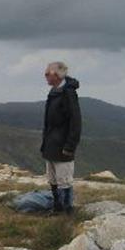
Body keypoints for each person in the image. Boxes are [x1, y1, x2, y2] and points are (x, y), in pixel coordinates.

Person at [41, 62, 82, 214]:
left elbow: (75, 121)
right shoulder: (54, 91)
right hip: (51, 144)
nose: (45, 76)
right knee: (53, 179)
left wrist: (70, 146)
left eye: (47, 74)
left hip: (62, 145)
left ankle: (66, 210)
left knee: (64, 180)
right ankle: (57, 208)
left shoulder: (68, 93)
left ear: (56, 75)